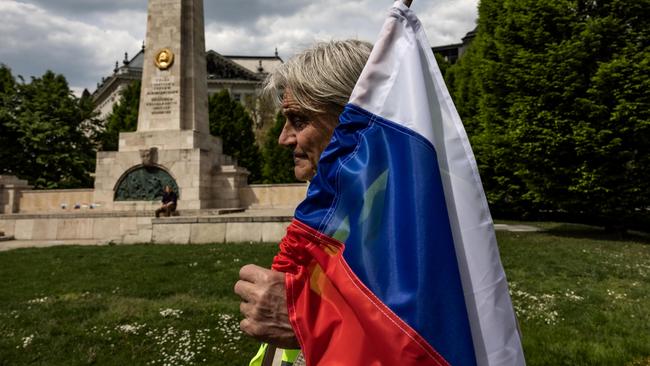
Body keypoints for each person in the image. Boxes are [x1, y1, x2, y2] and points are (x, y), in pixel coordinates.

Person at [234, 40, 372, 364]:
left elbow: (419, 345)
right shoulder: (331, 215)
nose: (283, 139)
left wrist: (310, 324)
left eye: (298, 120)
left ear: (351, 123)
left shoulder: (403, 222)